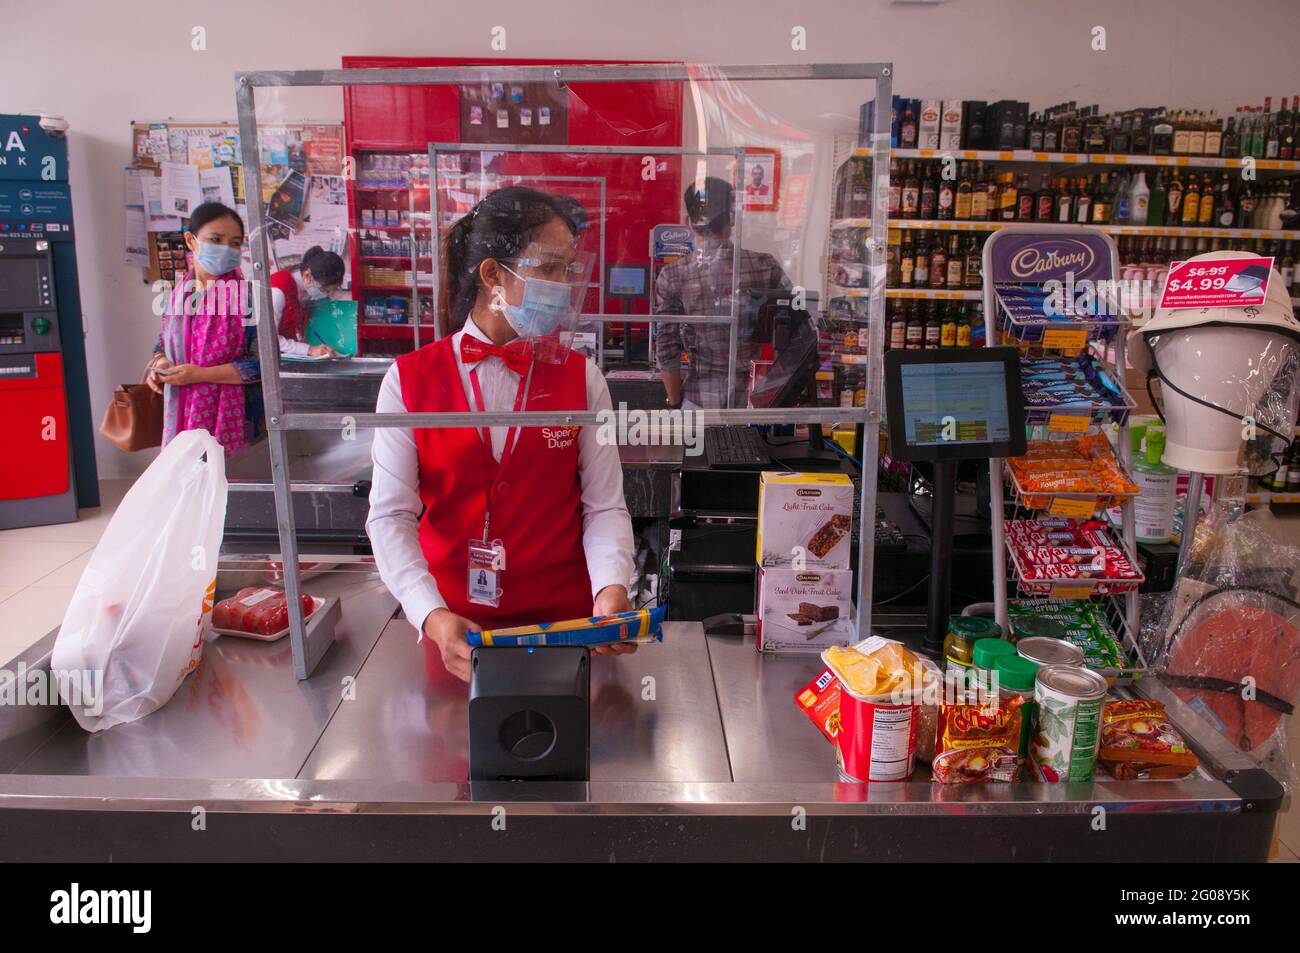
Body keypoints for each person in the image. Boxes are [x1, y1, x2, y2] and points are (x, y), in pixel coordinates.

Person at [366, 186, 636, 683]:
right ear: (493, 276)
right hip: (454, 628)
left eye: (567, 270)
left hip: (566, 627)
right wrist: (430, 613)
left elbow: (604, 506)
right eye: (549, 268)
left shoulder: (582, 378)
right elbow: (390, 517)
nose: (562, 284)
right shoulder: (408, 381)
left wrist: (611, 588)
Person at [653, 177, 791, 409]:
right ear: (733, 218)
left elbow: (667, 345)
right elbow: (796, 325)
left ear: (689, 222)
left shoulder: (673, 274)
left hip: (700, 398)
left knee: (699, 446)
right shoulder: (765, 265)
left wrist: (674, 400)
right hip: (756, 398)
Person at [145, 201, 261, 456]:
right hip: (180, 411)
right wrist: (162, 363)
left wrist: (199, 375)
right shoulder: (177, 295)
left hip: (230, 416)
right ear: (191, 240)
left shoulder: (246, 299)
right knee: (185, 483)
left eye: (234, 243)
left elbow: (261, 366)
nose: (225, 249)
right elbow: (162, 344)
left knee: (223, 485)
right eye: (216, 239)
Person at [269, 245, 345, 358]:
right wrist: (309, 349)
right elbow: (268, 339)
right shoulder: (279, 289)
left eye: (331, 290)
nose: (326, 294)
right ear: (307, 275)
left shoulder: (305, 294)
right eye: (324, 289)